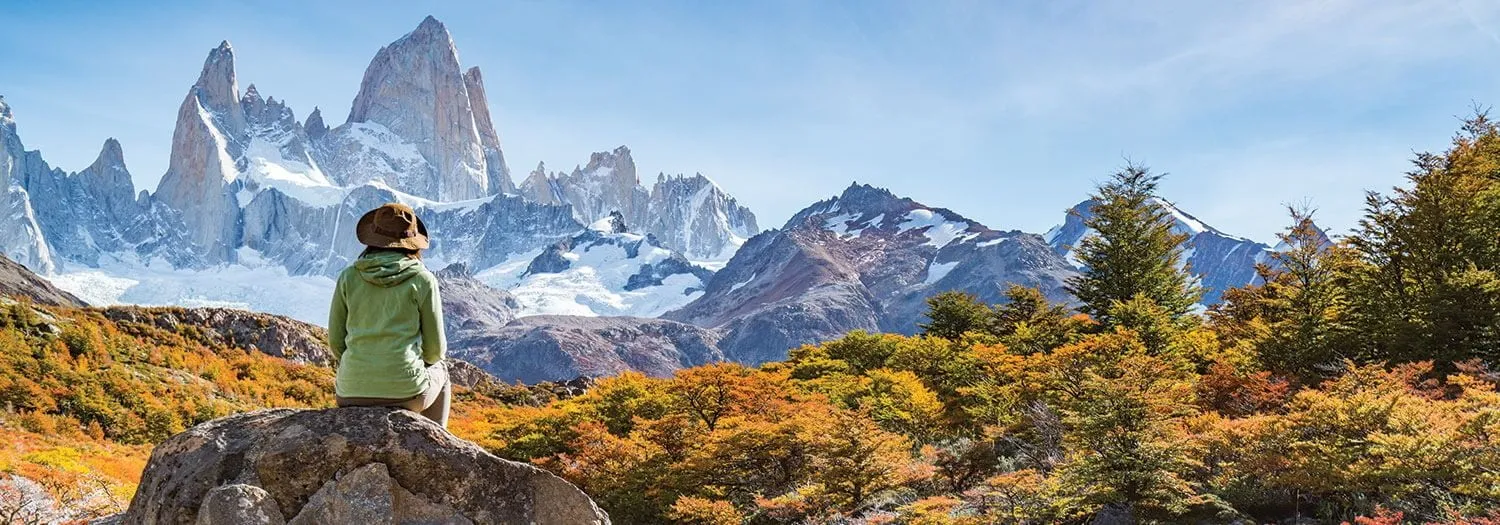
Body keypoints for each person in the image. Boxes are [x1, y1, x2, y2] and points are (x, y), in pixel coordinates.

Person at [327, 202, 450, 427]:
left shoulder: (349, 277)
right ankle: (436, 445)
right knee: (442, 370)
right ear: (412, 243)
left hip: (350, 391)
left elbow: (336, 343)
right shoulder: (423, 280)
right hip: (408, 393)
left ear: (372, 239)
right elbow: (435, 351)